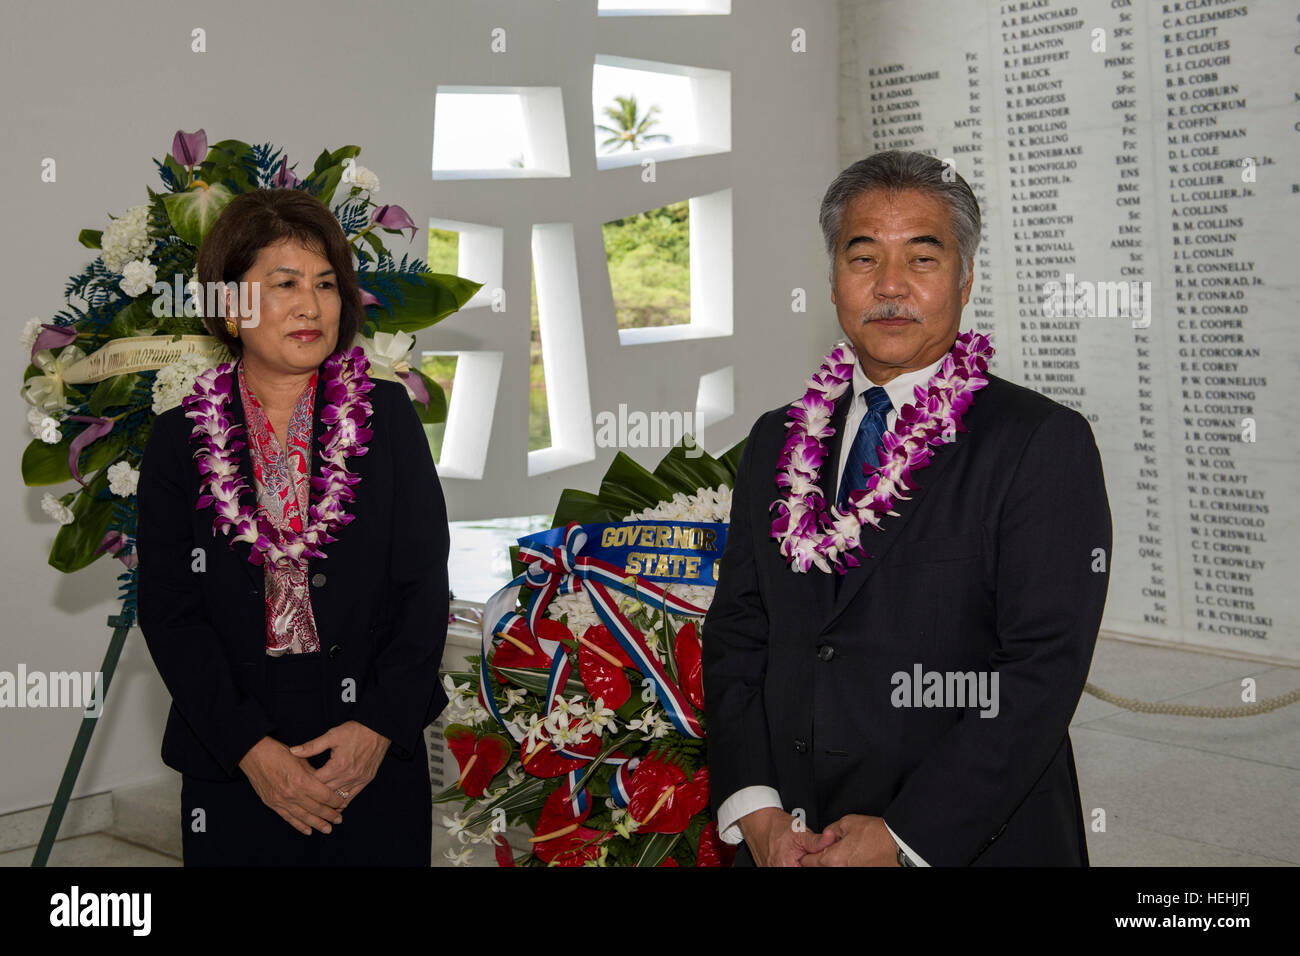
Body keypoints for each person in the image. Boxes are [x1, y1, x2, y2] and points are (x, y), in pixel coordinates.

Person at [702, 150, 1112, 867]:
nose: (890, 287)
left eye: (922, 259)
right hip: (785, 842)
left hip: (967, 842)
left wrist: (903, 838)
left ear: (964, 276)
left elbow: (1038, 672)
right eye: (863, 258)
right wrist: (755, 806)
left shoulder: (1039, 444)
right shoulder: (778, 437)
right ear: (833, 280)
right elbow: (741, 629)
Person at [136, 189, 450, 866]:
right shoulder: (177, 439)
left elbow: (424, 589)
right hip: (236, 755)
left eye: (327, 284)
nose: (312, 305)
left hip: (371, 750)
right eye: (284, 284)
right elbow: (169, 611)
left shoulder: (387, 420)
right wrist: (252, 750)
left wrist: (376, 729)